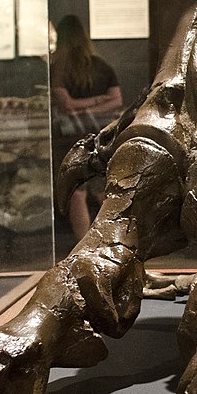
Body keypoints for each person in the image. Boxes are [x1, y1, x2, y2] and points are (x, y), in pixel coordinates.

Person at [49, 14, 124, 238]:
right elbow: (115, 100)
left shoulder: (60, 68)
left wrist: (81, 109)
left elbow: (67, 105)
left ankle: (85, 244)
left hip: (72, 137)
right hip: (102, 133)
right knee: (102, 190)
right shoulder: (100, 66)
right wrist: (98, 101)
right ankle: (111, 241)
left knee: (78, 192)